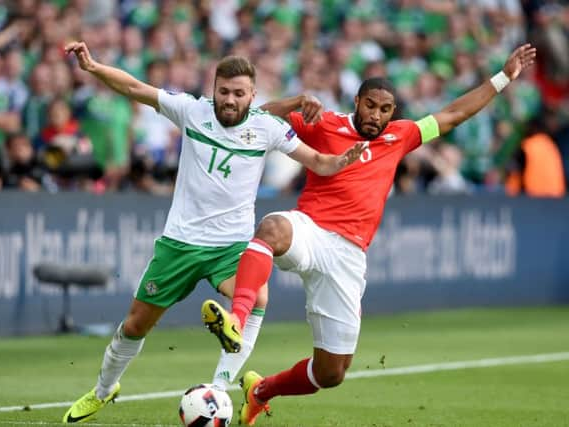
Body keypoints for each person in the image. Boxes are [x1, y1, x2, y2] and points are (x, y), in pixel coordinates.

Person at [201, 43, 537, 425]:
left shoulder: (401, 136)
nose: (375, 115)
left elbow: (453, 114)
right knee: (272, 228)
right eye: (370, 105)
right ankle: (237, 320)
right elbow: (255, 116)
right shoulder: (325, 123)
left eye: (384, 109)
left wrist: (504, 77)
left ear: (393, 113)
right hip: (310, 231)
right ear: (357, 101)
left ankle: (260, 391)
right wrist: (292, 102)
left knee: (331, 373)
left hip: (348, 256)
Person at [61, 41, 363, 424]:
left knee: (256, 298)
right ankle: (103, 391)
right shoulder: (192, 110)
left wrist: (342, 161)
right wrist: (94, 67)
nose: (230, 100)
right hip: (180, 243)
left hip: (231, 246)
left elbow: (318, 162)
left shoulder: (266, 127)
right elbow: (136, 88)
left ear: (252, 95)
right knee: (135, 324)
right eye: (224, 92)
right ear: (213, 88)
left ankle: (219, 387)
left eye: (239, 94)